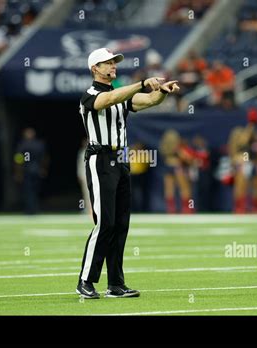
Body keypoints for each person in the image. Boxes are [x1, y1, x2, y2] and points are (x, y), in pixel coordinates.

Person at [77, 47, 180, 299]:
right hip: (100, 158)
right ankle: (85, 280)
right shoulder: (90, 95)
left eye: (114, 62)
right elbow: (107, 100)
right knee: (105, 223)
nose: (113, 66)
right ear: (95, 69)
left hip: (122, 158)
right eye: (107, 63)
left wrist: (161, 93)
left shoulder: (120, 94)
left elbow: (148, 101)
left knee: (121, 223)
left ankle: (115, 284)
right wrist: (143, 82)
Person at [14, 128, 48, 215]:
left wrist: (18, 172)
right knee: (31, 190)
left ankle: (31, 210)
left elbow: (44, 158)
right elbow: (19, 159)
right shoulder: (39, 144)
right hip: (33, 170)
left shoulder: (23, 145)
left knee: (30, 190)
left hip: (29, 170)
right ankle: (32, 209)